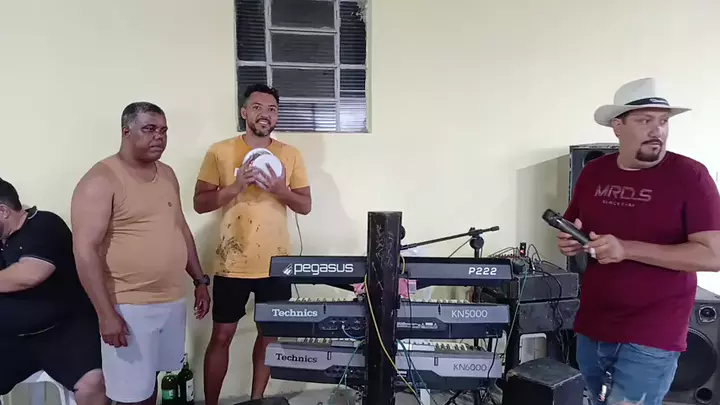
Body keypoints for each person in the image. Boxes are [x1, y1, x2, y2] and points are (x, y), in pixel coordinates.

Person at [557, 77, 720, 405]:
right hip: (594, 324)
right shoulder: (594, 172)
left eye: (663, 121)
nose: (657, 131)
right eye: (645, 121)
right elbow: (577, 226)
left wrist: (627, 249)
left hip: (652, 333)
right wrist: (570, 240)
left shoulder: (690, 176)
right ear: (617, 126)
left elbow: (713, 256)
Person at [71, 102, 211, 405]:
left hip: (172, 299)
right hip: (128, 305)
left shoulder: (167, 174)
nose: (159, 136)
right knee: (130, 394)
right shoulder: (101, 180)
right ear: (126, 132)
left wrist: (200, 280)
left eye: (163, 130)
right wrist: (106, 315)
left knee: (152, 382)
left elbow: (180, 228)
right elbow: (84, 251)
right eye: (149, 129)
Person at [194, 84, 312, 402]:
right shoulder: (219, 151)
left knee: (268, 335)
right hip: (231, 261)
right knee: (222, 335)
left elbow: (304, 205)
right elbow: (200, 203)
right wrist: (235, 187)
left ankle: (257, 399)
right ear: (244, 112)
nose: (265, 114)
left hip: (277, 263)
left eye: (272, 109)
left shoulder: (291, 154)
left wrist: (280, 190)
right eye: (258, 107)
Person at [0, 178, 107, 405]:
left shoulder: (45, 225)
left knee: (94, 384)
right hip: (11, 338)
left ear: (3, 211)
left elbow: (30, 274)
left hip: (64, 332)